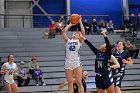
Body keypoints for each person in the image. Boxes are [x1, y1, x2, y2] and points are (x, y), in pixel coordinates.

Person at [61, 15, 85, 93]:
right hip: (68, 62)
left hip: (76, 62)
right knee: (70, 83)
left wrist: (80, 21)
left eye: (77, 33)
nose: (75, 33)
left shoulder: (79, 41)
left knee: (79, 82)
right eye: (74, 33)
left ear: (79, 36)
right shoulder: (67, 41)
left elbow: (83, 32)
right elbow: (63, 32)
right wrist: (70, 24)